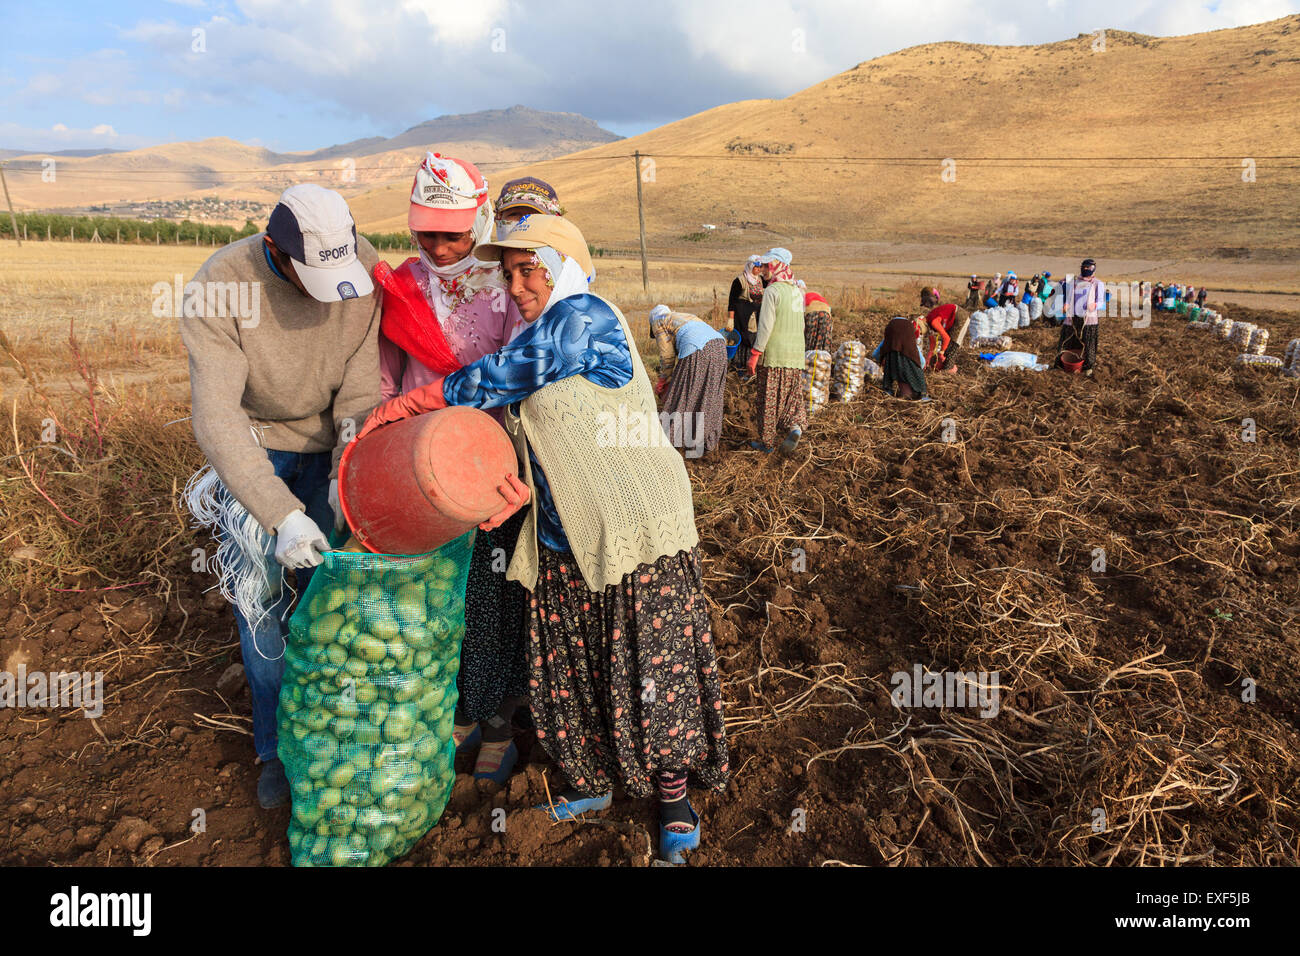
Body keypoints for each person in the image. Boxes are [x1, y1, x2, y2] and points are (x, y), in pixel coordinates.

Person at [358, 214, 729, 864]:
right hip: (562, 533)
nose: (521, 285)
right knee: (572, 667)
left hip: (633, 527)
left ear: (565, 266)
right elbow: (536, 430)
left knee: (651, 664)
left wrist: (411, 404)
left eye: (532, 268)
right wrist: (513, 486)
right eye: (511, 274)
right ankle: (591, 781)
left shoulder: (584, 315)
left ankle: (672, 798)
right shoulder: (546, 327)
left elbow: (512, 374)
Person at [180, 184, 381, 808]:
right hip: (254, 447)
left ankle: (332, 734)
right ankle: (274, 750)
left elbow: (357, 390)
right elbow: (217, 419)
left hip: (328, 447)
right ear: (275, 249)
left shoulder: (364, 267)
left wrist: (347, 472)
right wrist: (280, 515)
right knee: (263, 600)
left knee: (331, 590)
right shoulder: (219, 288)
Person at [369, 152, 535, 783]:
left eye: (454, 233)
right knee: (432, 597)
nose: (439, 247)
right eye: (427, 232)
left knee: (489, 598)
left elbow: (516, 380)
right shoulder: (403, 287)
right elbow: (386, 375)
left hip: (487, 465)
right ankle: (452, 710)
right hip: (413, 466)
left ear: (480, 221)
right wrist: (378, 435)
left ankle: (495, 721)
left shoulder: (504, 289)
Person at [745, 248, 807, 453]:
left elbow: (765, 327)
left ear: (776, 265)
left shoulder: (773, 291)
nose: (762, 269)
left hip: (775, 354)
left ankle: (767, 443)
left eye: (765, 265)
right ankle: (795, 426)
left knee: (768, 400)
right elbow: (801, 324)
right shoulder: (798, 290)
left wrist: (755, 354)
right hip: (796, 355)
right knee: (792, 397)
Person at [649, 304, 727, 458]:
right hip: (720, 347)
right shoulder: (685, 316)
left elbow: (667, 356)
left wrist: (663, 379)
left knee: (683, 396)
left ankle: (670, 442)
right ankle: (706, 442)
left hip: (698, 350)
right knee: (710, 398)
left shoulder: (658, 320)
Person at [1057, 258, 1104, 376]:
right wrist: (1066, 305)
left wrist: (1094, 305)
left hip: (1088, 319)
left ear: (1093, 269)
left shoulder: (1098, 283)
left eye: (1088, 267)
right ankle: (1061, 365)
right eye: (1084, 267)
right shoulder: (1074, 282)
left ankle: (1088, 367)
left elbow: (1101, 301)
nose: (1086, 269)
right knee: (1067, 340)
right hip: (1072, 317)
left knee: (1088, 342)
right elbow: (1068, 297)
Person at [727, 255, 764, 378]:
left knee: (755, 339)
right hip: (742, 317)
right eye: (756, 267)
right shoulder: (739, 281)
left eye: (760, 267)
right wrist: (730, 319)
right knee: (744, 340)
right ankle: (739, 369)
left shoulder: (761, 280)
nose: (758, 269)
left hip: (757, 316)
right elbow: (732, 301)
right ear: (750, 266)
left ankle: (751, 370)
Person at [876, 316, 928, 399]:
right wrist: (920, 367)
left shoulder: (891, 337)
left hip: (891, 359)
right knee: (917, 376)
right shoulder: (909, 340)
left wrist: (881, 359)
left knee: (889, 375)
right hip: (907, 362)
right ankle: (923, 396)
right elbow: (921, 361)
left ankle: (888, 391)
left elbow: (876, 353)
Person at [493, 176, 563, 236]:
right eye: (514, 214)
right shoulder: (483, 251)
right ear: (498, 218)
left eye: (535, 216)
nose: (524, 221)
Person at [923, 302, 969, 373]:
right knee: (947, 347)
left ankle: (948, 371)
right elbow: (932, 344)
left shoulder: (933, 322)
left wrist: (941, 352)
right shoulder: (928, 324)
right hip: (952, 319)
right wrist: (928, 359)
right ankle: (945, 368)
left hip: (960, 316)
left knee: (954, 345)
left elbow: (946, 338)